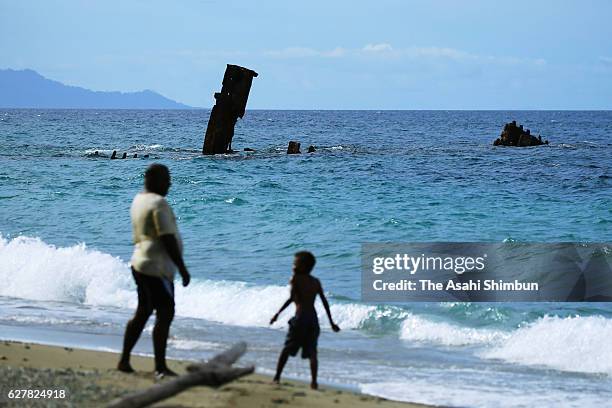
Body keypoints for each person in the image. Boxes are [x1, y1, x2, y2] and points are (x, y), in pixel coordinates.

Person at [117, 163, 191, 378]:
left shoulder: (139, 199)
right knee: (165, 313)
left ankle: (124, 360)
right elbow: (167, 238)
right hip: (156, 268)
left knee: (143, 311)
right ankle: (160, 366)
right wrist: (182, 268)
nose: (169, 183)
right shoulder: (159, 203)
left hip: (139, 262)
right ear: (154, 180)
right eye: (166, 178)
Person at [270, 251, 340, 389]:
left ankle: (277, 377)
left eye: (295, 263)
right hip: (313, 321)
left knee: (287, 349)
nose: (293, 266)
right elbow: (324, 302)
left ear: (302, 266)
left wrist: (277, 314)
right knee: (313, 352)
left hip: (300, 319)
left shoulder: (295, 279)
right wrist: (332, 322)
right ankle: (314, 382)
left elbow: (292, 298)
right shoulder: (316, 282)